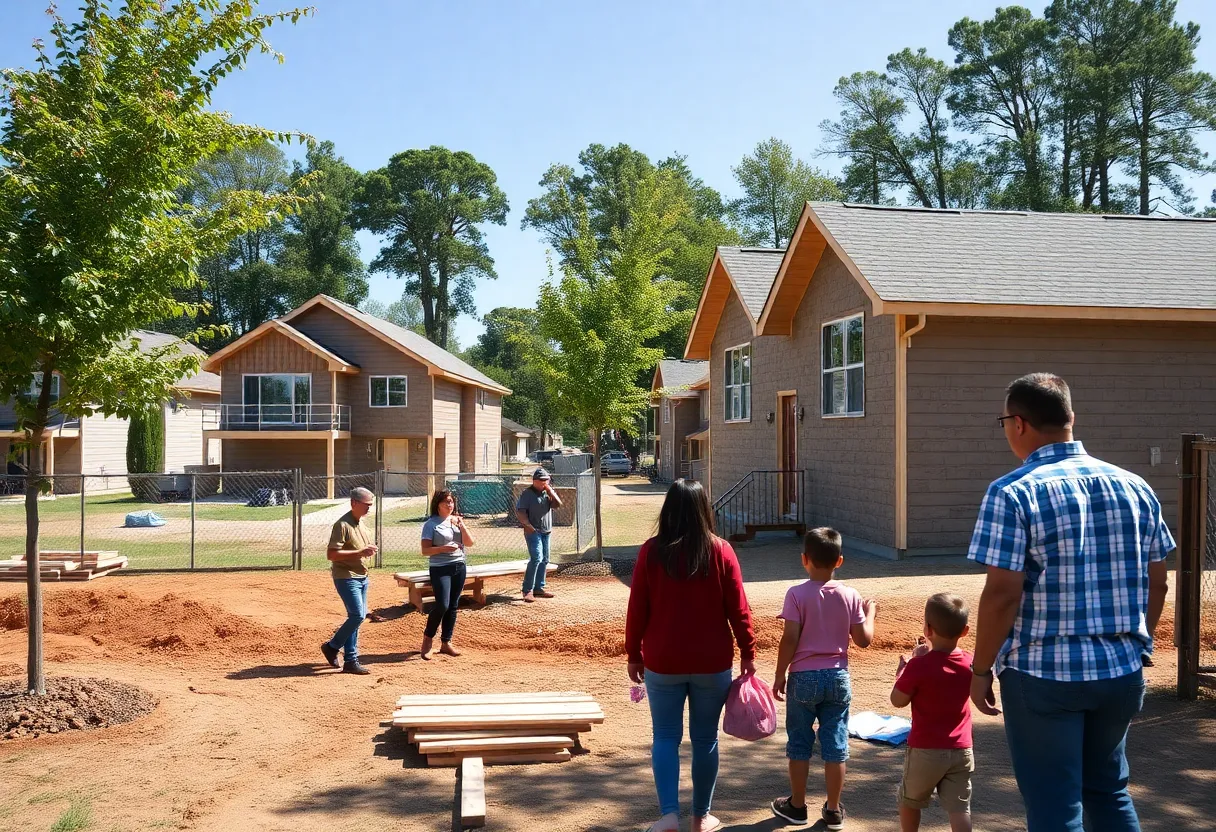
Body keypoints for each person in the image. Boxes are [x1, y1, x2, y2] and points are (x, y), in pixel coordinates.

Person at [968, 373, 1173, 832]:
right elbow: (1158, 584)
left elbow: (1002, 595)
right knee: (1110, 792)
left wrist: (980, 671)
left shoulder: (1012, 492)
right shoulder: (1135, 487)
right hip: (1120, 671)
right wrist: (1140, 647)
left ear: (1018, 423)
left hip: (1043, 674)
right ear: (1071, 418)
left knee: (1054, 806)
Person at [626, 479, 756, 832]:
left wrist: (633, 653)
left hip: (662, 660)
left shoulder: (651, 551)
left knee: (665, 737)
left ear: (668, 509)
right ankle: (701, 816)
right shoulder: (721, 551)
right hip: (711, 662)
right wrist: (748, 651)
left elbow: (637, 607)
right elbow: (739, 609)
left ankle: (669, 815)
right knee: (705, 739)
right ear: (704, 510)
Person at [771, 527, 877, 831]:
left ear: (804, 559)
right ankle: (832, 809)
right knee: (836, 744)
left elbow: (790, 638)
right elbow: (863, 640)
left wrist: (779, 674)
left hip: (803, 677)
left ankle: (797, 805)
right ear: (839, 561)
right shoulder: (851, 595)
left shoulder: (795, 594)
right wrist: (870, 613)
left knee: (799, 742)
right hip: (838, 677)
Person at [890, 593, 975, 832]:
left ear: (927, 629)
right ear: (965, 631)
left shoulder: (919, 666)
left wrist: (905, 669)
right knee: (960, 808)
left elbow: (897, 700)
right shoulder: (970, 662)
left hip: (925, 750)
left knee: (909, 800)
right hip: (961, 749)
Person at [320, 487, 378, 675]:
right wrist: (360, 552)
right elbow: (331, 554)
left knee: (356, 618)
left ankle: (350, 660)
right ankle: (332, 647)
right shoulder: (342, 525)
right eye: (366, 504)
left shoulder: (361, 524)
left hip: (362, 576)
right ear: (354, 503)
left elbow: (359, 550)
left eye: (371, 505)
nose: (369, 508)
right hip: (346, 576)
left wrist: (367, 551)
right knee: (357, 616)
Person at [420, 489, 477, 660]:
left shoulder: (456, 521)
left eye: (451, 501)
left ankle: (446, 642)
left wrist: (462, 524)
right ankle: (428, 638)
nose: (449, 505)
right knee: (442, 605)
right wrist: (444, 549)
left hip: (459, 566)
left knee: (453, 605)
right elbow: (425, 550)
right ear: (438, 504)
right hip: (440, 567)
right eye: (446, 502)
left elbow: (469, 543)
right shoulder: (431, 524)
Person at [516, 467, 563, 602]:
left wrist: (551, 491)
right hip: (533, 531)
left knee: (545, 559)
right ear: (534, 481)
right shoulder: (527, 494)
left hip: (546, 531)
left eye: (546, 480)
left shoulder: (546, 493)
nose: (544, 482)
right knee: (536, 558)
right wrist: (528, 526)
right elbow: (520, 511)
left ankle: (538, 588)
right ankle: (527, 590)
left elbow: (558, 504)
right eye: (541, 480)